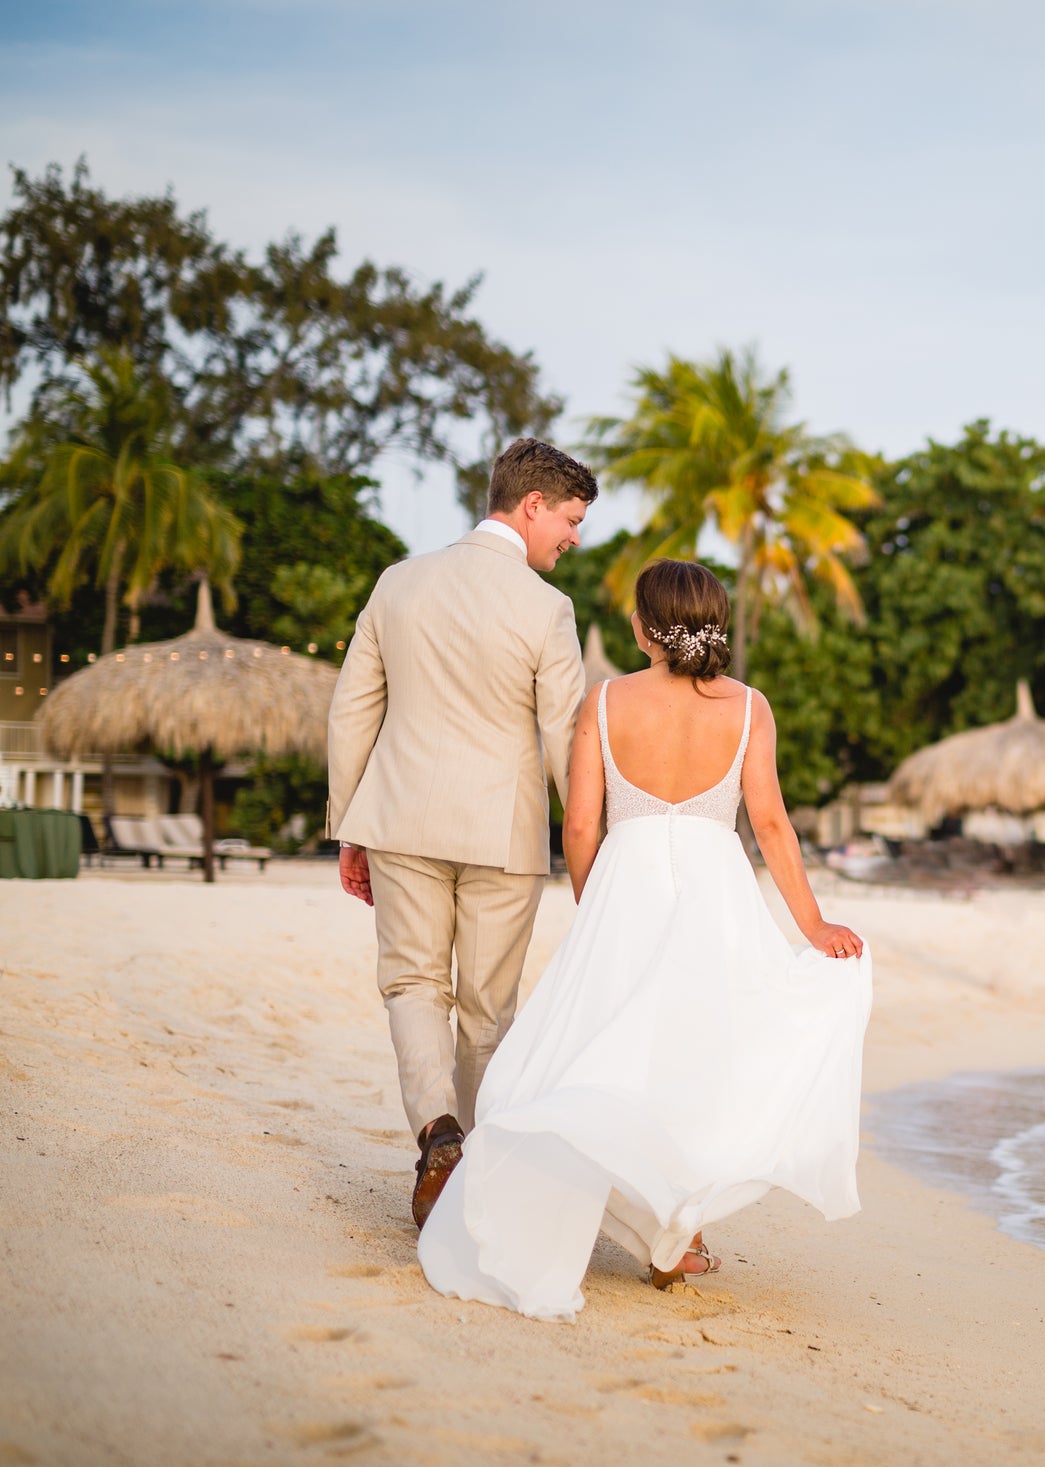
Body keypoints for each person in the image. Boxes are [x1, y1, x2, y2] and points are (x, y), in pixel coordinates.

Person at [417, 559, 872, 1321]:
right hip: (716, 892)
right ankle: (678, 1235)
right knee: (697, 1053)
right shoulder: (750, 707)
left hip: (625, 886)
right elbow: (769, 823)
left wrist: (595, 903)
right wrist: (814, 925)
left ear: (642, 627)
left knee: (604, 1049)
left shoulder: (604, 701)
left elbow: (580, 824)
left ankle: (650, 1222)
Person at [327, 438, 594, 1227]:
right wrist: (589, 843)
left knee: (412, 984)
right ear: (532, 503)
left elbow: (352, 709)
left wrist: (350, 824)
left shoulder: (398, 582)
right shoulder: (547, 609)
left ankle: (436, 1132)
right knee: (487, 1012)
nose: (574, 538)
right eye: (571, 519)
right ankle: (475, 1175)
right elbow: (564, 740)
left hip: (398, 817)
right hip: (503, 834)